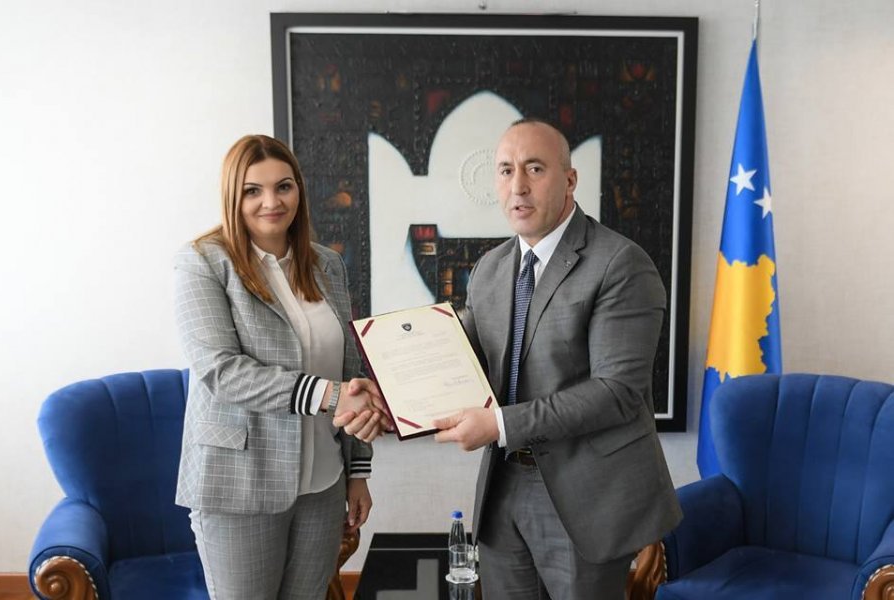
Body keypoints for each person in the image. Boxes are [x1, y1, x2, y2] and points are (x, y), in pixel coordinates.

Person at [432, 119, 683, 600]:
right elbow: (466, 366)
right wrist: (390, 395)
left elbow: (617, 393)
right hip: (503, 489)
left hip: (586, 497)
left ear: (569, 180)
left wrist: (499, 424)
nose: (518, 186)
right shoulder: (489, 269)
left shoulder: (620, 264)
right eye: (505, 170)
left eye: (534, 168)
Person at [174, 134, 390, 599]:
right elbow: (221, 371)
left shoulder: (327, 265)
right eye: (253, 190)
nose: (272, 201)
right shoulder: (203, 262)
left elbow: (350, 368)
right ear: (233, 195)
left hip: (323, 485)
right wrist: (331, 395)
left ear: (299, 191)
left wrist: (358, 472)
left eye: (284, 186)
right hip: (241, 482)